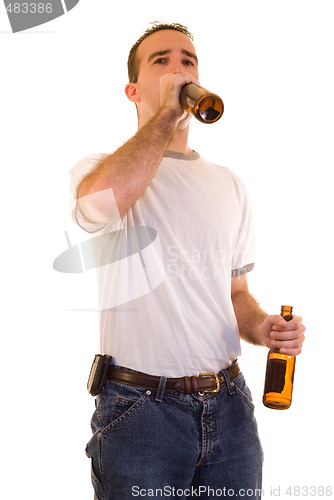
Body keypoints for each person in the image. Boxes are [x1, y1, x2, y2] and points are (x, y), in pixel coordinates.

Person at [70, 22, 306, 499]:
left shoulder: (229, 184)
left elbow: (235, 294)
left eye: (188, 60)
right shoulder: (99, 169)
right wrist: (164, 118)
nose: (179, 69)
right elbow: (97, 205)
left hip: (231, 410)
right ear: (133, 91)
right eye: (162, 61)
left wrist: (263, 328)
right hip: (140, 413)